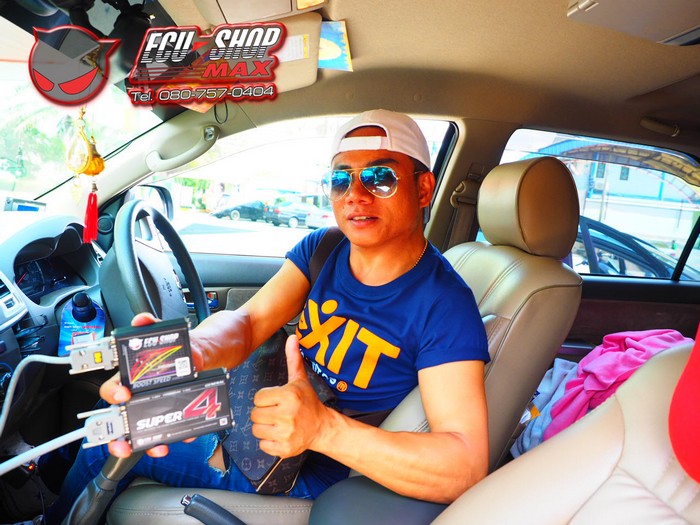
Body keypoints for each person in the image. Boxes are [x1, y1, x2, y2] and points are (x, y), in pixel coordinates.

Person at [45, 109, 490, 523]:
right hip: (254, 407)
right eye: (341, 179)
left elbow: (464, 466)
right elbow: (250, 322)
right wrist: (198, 351)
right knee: (117, 411)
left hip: (304, 468)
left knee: (104, 444)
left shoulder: (445, 306)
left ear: (424, 189)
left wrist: (324, 430)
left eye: (380, 178)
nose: (355, 194)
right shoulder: (325, 249)